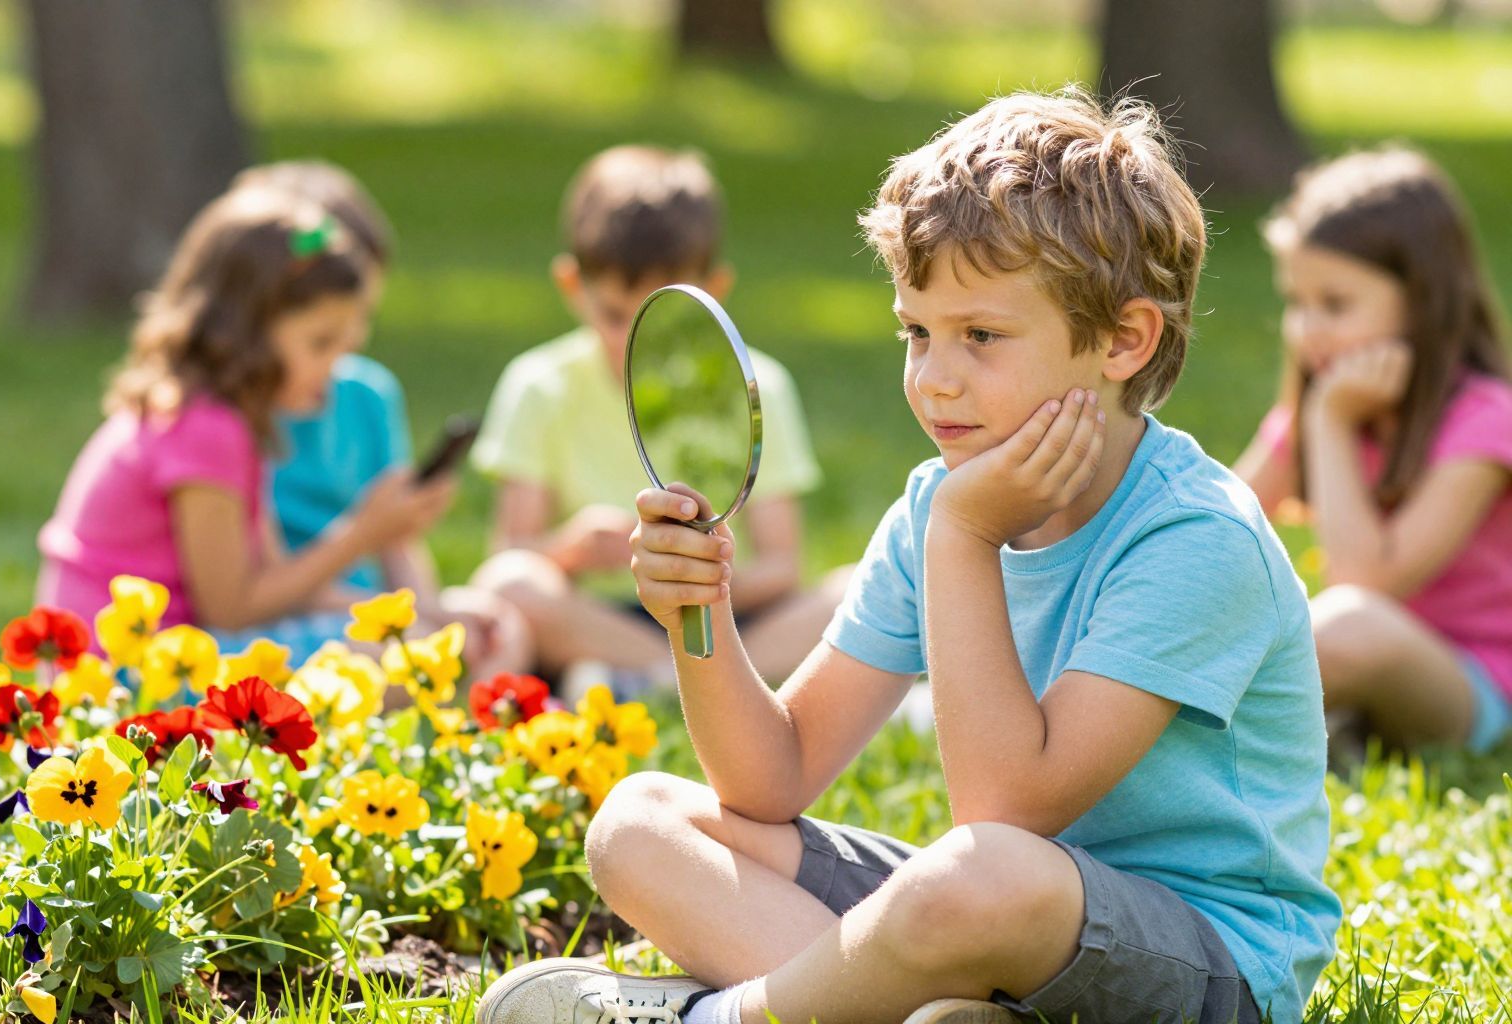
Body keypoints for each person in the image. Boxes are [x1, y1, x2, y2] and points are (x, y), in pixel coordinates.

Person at [475, 89, 1341, 1024]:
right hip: (989, 921)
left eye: (981, 335)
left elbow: (1005, 813)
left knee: (984, 874)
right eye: (917, 331)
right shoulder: (940, 503)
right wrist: (702, 611)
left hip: (1208, 963)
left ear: (1124, 340)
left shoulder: (1193, 536)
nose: (934, 377)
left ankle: (721, 1018)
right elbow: (772, 778)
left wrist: (966, 539)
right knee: (640, 822)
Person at [468, 145, 846, 689]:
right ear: (574, 287)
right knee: (509, 584)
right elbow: (510, 554)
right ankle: (698, 685)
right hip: (601, 616)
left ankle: (655, 681)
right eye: (615, 315)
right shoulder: (540, 384)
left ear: (714, 292)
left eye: (661, 316)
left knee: (854, 590)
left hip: (720, 614)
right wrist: (572, 550)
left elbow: (783, 566)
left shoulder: (758, 386)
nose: (634, 339)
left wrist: (698, 573)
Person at [37, 187, 449, 668]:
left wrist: (412, 617)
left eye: (348, 342)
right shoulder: (206, 428)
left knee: (406, 646)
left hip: (169, 657)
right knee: (384, 664)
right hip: (123, 680)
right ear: (244, 334)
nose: (336, 366)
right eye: (320, 344)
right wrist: (362, 534)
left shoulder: (230, 419)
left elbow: (280, 583)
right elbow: (233, 609)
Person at [1235, 147, 1512, 759]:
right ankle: (1320, 731)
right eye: (1297, 302)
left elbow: (1366, 583)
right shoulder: (1317, 410)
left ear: (1420, 300)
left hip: (1478, 685)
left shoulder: (1485, 423)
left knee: (1350, 626)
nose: (1309, 328)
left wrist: (1329, 423)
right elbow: (1217, 533)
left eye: (1334, 304)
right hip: (1357, 651)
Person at [224, 161, 530, 676]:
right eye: (326, 328)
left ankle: (478, 737)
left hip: (375, 611)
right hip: (299, 613)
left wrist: (425, 604)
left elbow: (397, 545)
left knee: (502, 624)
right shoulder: (238, 416)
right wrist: (390, 601)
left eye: (361, 313)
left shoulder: (369, 393)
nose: (350, 339)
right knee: (404, 654)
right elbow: (262, 584)